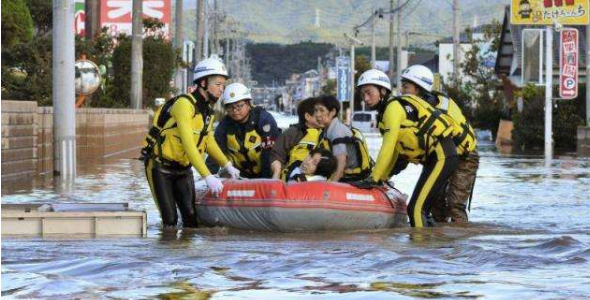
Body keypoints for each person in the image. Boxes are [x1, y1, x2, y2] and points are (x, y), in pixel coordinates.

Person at [141, 56, 241, 228]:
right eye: (217, 84)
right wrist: (207, 176)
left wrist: (227, 165)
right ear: (203, 82)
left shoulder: (208, 111)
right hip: (160, 168)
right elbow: (188, 145)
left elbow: (207, 140)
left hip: (183, 169)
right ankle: (167, 251)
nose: (221, 90)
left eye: (223, 85)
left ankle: (186, 253)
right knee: (170, 221)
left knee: (191, 220)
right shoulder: (184, 104)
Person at [357, 69, 458, 228]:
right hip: (437, 158)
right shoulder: (386, 114)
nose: (365, 98)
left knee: (416, 210)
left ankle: (419, 250)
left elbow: (388, 147)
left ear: (383, 90)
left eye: (369, 92)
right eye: (362, 94)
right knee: (422, 210)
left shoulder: (393, 108)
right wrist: (382, 177)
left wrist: (374, 178)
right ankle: (436, 244)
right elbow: (396, 152)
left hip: (442, 155)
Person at [399, 65, 479, 223]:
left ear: (418, 88)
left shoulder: (435, 111)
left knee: (455, 205)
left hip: (465, 157)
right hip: (444, 157)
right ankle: (439, 243)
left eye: (405, 87)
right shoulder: (421, 108)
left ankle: (461, 244)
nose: (401, 91)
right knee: (436, 203)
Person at [212, 82, 280, 178]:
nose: (235, 110)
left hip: (268, 172)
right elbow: (215, 153)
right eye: (230, 107)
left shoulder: (264, 119)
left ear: (248, 104)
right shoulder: (224, 126)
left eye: (239, 106)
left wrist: (265, 181)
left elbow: (270, 153)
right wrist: (209, 177)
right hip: (240, 175)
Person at [313, 95, 373, 182]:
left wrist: (331, 185)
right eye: (316, 110)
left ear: (333, 111)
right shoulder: (326, 130)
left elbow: (341, 162)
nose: (318, 115)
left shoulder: (337, 130)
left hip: (352, 177)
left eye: (322, 110)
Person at [270, 97, 322, 181]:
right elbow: (276, 155)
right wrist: (276, 175)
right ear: (308, 116)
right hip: (293, 182)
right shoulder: (292, 133)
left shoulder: (329, 133)